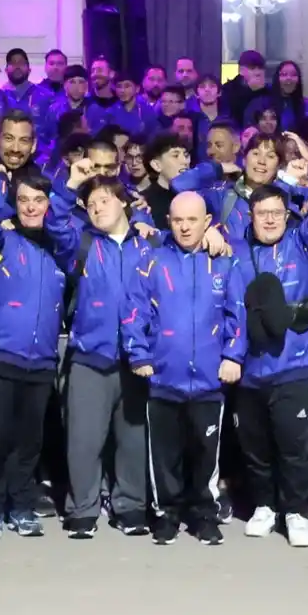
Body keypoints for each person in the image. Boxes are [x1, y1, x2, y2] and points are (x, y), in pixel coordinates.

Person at [229, 135, 308, 547]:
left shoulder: (304, 245)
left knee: (293, 447)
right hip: (249, 369)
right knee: (255, 447)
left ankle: (296, 511)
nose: (271, 219)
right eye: (263, 213)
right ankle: (264, 506)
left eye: (277, 212)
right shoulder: (236, 252)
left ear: (287, 216)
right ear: (251, 216)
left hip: (293, 368)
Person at [123, 191, 247, 545]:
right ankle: (167, 514)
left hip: (209, 378)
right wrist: (139, 355)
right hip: (164, 376)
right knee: (165, 453)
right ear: (169, 222)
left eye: (193, 219)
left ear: (207, 222)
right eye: (178, 220)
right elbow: (134, 311)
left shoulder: (225, 262)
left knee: (206, 453)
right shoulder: (153, 261)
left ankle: (204, 514)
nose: (185, 226)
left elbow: (236, 313)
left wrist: (233, 356)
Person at [45, 166, 157, 538]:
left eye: (104, 200)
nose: (97, 209)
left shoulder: (152, 245)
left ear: (123, 201)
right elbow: (55, 223)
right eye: (90, 204)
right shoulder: (83, 244)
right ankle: (83, 508)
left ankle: (130, 506)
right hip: (90, 356)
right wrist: (70, 186)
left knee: (133, 439)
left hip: (138, 360)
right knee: (83, 439)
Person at [0, 172, 70, 539]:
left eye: (39, 200)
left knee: (30, 440)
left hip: (40, 360)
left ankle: (22, 505)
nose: (31, 207)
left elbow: (77, 231)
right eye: (24, 199)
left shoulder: (59, 249)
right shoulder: (1, 240)